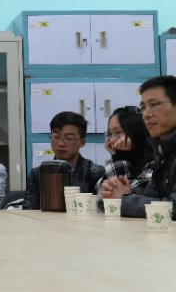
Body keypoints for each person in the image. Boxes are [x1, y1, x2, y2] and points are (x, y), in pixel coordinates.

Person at [108, 76, 176, 218]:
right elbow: (150, 197)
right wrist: (124, 196)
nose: (146, 114)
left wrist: (123, 200)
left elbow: (172, 208)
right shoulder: (161, 150)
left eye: (154, 105)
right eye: (143, 107)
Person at [22, 111, 105, 210]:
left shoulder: (95, 173)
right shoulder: (37, 174)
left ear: (82, 142)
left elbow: (100, 209)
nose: (61, 143)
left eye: (69, 138)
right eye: (56, 137)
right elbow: (29, 211)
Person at [97, 107, 153, 196]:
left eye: (118, 132)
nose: (112, 140)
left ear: (134, 132)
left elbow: (121, 194)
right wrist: (116, 157)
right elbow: (99, 191)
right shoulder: (122, 157)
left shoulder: (153, 162)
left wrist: (118, 159)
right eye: (110, 133)